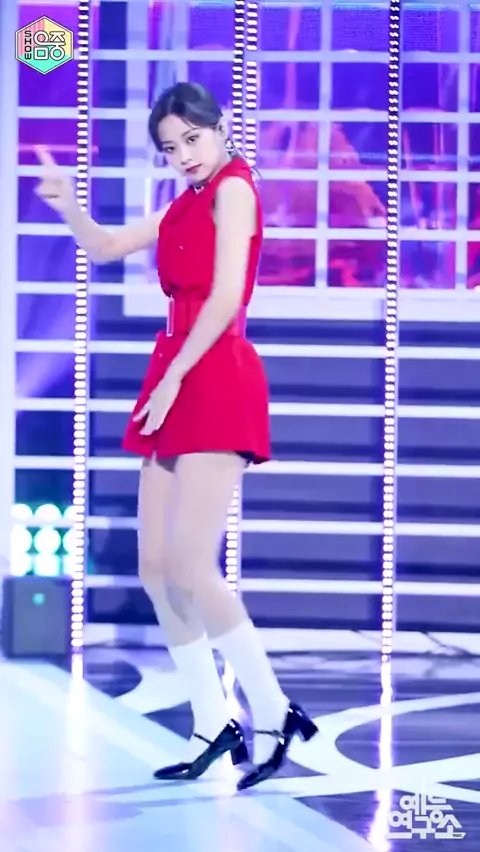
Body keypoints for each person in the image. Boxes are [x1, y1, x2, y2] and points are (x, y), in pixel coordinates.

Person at [34, 81, 318, 791]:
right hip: (174, 369)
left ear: (219, 128)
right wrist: (69, 206)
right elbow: (105, 247)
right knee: (156, 567)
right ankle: (212, 721)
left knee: (192, 565)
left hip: (214, 372)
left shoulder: (235, 189)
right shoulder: (184, 203)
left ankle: (275, 711)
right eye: (170, 147)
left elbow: (226, 297)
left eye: (193, 138)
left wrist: (173, 379)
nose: (184, 154)